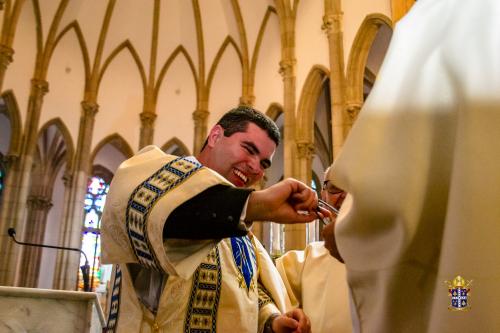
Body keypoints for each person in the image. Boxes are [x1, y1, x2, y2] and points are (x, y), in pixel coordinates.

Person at [323, 0, 500, 331]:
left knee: (460, 298)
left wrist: (345, 234)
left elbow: (397, 190)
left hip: (463, 285)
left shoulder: (441, 17)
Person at [101, 106, 327, 332]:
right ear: (216, 135)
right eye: (249, 149)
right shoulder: (156, 180)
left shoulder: (240, 228)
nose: (255, 167)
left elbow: (244, 291)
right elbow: (165, 220)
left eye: (264, 163)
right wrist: (256, 205)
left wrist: (273, 320)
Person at [276, 167, 352, 333]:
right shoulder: (305, 260)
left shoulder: (398, 253)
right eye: (335, 187)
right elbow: (259, 286)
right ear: (324, 195)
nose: (345, 194)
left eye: (354, 185)